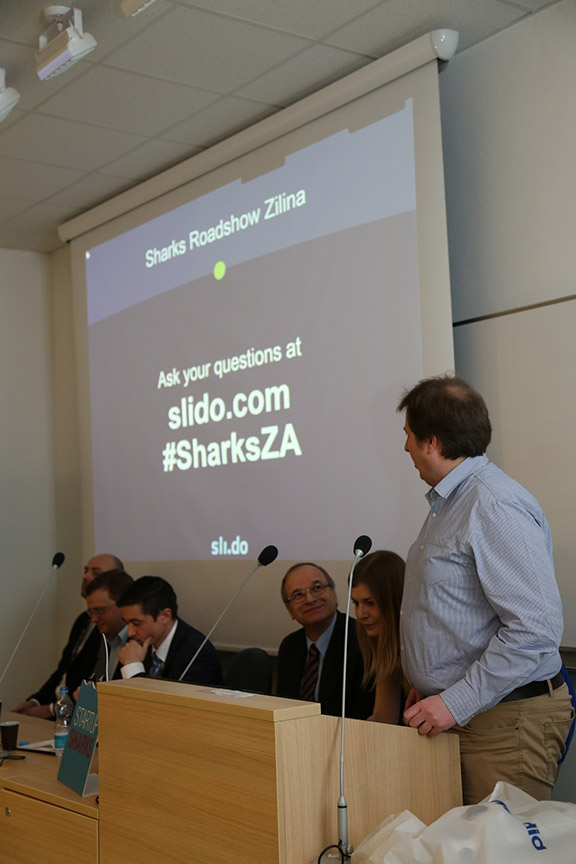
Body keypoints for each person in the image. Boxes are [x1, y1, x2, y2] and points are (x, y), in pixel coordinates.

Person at [397, 374, 573, 803]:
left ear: (431, 442)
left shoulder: (493, 504)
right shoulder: (451, 504)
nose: (404, 448)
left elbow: (535, 630)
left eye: (408, 436)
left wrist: (454, 700)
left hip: (504, 723)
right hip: (462, 715)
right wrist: (434, 681)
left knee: (501, 840)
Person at [12, 552, 124, 718]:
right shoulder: (83, 620)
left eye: (96, 573)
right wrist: (35, 701)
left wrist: (51, 710)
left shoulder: (111, 630)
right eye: (85, 571)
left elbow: (93, 686)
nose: (86, 577)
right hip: (58, 708)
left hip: (72, 714)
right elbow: (63, 670)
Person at [276, 563, 374, 719]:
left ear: (334, 594)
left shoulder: (362, 641)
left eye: (317, 588)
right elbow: (282, 709)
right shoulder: (289, 646)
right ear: (290, 610)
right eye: (298, 595)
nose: (309, 599)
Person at [117, 576, 222, 685]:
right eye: (127, 623)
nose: (129, 633)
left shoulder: (198, 654)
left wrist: (133, 666)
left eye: (136, 623)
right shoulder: (136, 645)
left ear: (165, 616)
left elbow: (167, 697)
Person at [350, 550, 405, 724]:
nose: (361, 614)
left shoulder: (421, 643)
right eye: (356, 603)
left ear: (394, 600)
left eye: (370, 603)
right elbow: (383, 717)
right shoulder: (383, 643)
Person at [79, 569, 134, 690]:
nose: (93, 619)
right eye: (91, 612)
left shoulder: (140, 642)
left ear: (124, 604)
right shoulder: (99, 637)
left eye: (100, 611)